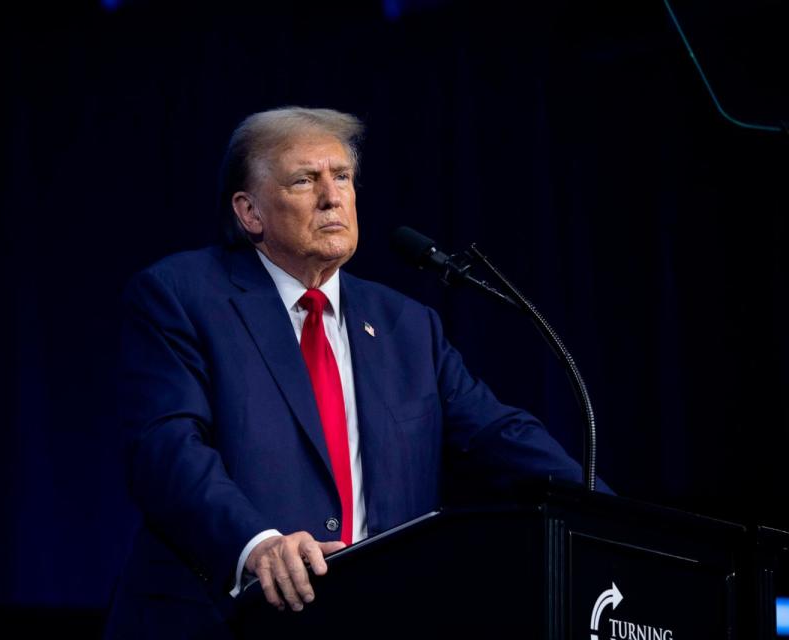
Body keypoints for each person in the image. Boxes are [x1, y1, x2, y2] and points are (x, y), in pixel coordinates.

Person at [104, 107, 609, 639]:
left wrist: (612, 519)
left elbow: (500, 435)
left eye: (341, 176)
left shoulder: (407, 326)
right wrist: (257, 544)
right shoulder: (181, 295)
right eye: (305, 180)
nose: (332, 196)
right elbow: (166, 448)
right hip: (221, 622)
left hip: (369, 620)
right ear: (250, 211)